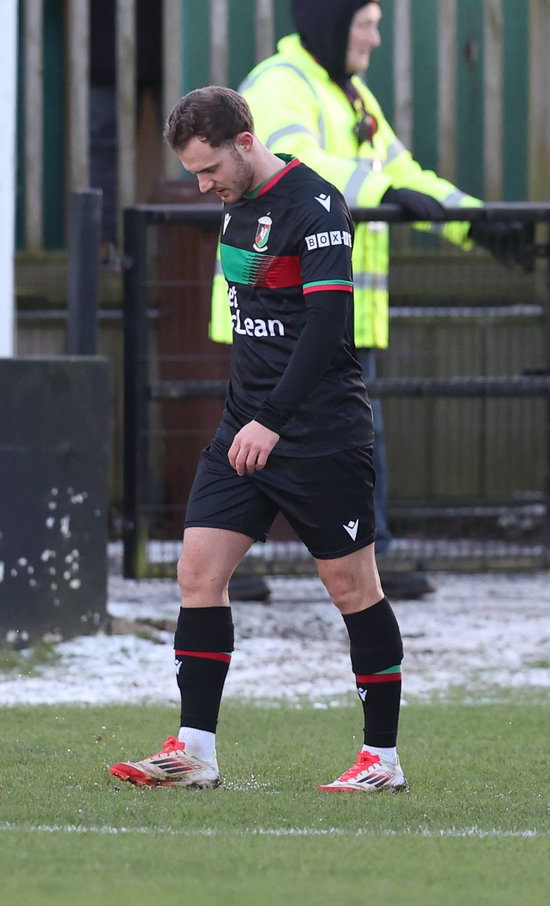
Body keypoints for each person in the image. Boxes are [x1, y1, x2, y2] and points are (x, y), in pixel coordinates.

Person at [110, 86, 408, 793]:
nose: (203, 185)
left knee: (351, 587)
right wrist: (253, 418)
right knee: (197, 574)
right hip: (244, 429)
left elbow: (329, 329)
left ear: (246, 140)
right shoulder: (232, 208)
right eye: (194, 173)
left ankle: (382, 761)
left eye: (210, 168)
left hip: (319, 434)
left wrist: (273, 420)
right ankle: (194, 751)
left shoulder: (316, 205)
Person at [214, 0, 525, 584]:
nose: (375, 40)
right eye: (366, 26)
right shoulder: (280, 85)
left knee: (348, 435)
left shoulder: (349, 91)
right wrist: (391, 189)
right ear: (333, 26)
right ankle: (243, 563)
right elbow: (300, 168)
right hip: (274, 307)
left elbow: (401, 171)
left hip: (328, 307)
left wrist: (475, 221)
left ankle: (364, 554)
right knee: (265, 431)